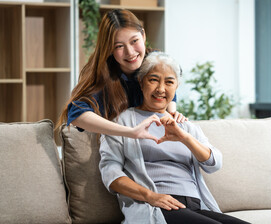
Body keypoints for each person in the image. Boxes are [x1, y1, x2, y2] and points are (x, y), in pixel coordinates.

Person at [99, 52, 250, 224]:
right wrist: (151, 196)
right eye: (153, 80)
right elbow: (110, 174)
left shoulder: (184, 125)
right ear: (141, 83)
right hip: (155, 207)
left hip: (195, 206)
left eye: (169, 82)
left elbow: (214, 163)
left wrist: (184, 137)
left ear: (176, 86)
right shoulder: (123, 122)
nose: (161, 89)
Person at [57, 9, 185, 142]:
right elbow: (76, 114)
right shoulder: (105, 76)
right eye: (119, 46)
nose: (130, 52)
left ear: (143, 35)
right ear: (109, 48)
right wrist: (131, 132)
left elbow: (169, 82)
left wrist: (171, 112)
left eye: (134, 41)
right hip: (122, 145)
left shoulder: (155, 61)